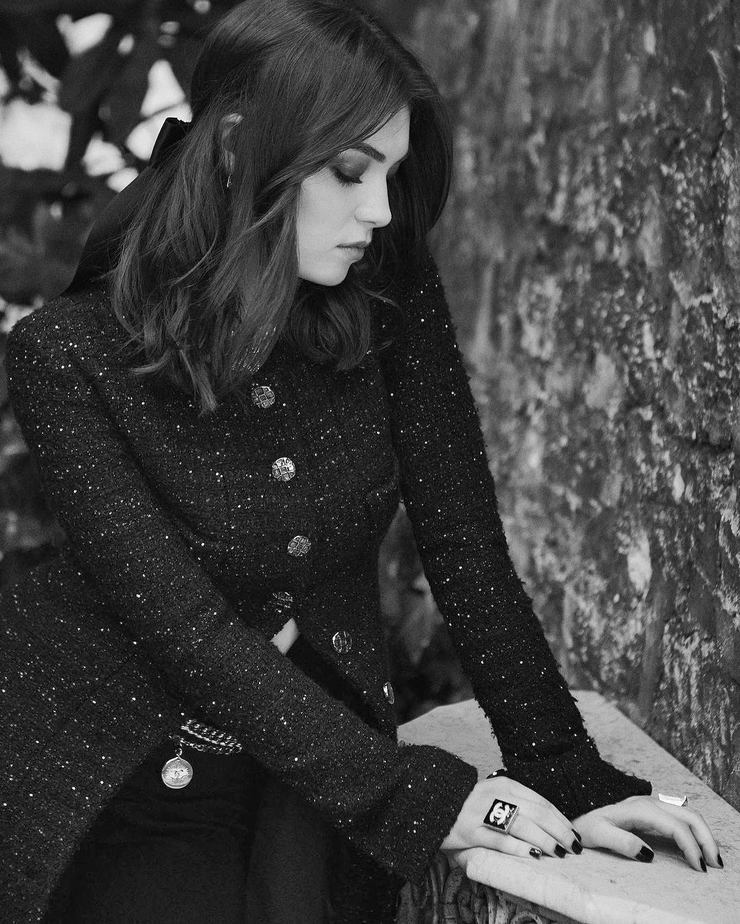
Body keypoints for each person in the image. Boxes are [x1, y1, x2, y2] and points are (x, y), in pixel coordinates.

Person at [0, 2, 721, 922]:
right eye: (349, 172)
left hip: (318, 771)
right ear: (236, 147)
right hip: (128, 782)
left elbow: (463, 541)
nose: (378, 210)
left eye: (390, 173)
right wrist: (424, 797)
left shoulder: (386, 292)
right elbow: (189, 633)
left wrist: (563, 771)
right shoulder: (66, 356)